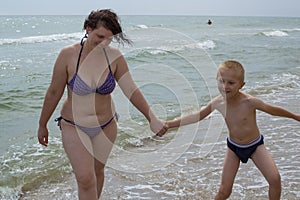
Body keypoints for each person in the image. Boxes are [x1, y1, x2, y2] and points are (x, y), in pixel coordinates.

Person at [37, 9, 166, 200]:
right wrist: (42, 124)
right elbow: (54, 92)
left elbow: (131, 91)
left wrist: (152, 118)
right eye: (100, 36)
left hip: (106, 126)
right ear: (88, 29)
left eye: (109, 39)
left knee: (97, 173)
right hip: (74, 126)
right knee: (85, 178)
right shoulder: (68, 55)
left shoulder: (114, 57)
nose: (104, 42)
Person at [164, 60, 300, 199]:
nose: (225, 86)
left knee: (275, 179)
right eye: (222, 81)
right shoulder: (218, 103)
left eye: (231, 83)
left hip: (255, 145)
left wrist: (295, 116)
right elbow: (198, 116)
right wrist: (169, 124)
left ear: (242, 85)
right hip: (234, 148)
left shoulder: (249, 102)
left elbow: (272, 110)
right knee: (224, 191)